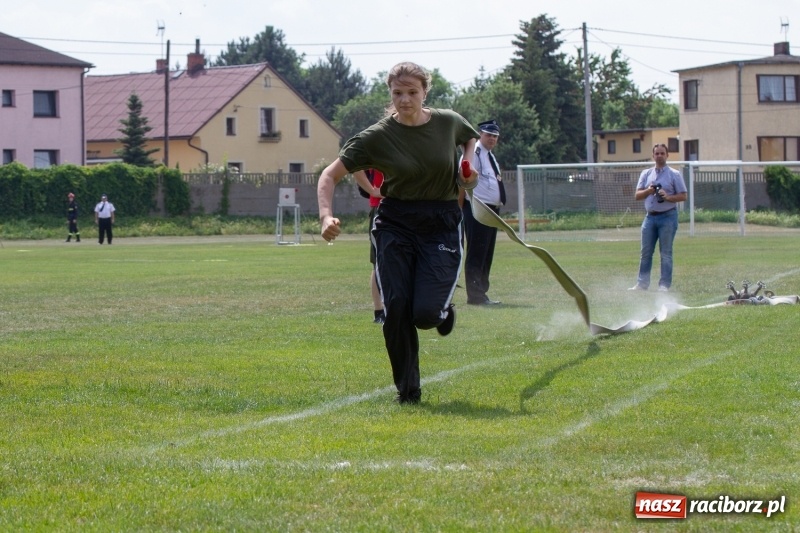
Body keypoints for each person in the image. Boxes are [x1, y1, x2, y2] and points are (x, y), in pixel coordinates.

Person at [317, 61, 479, 404]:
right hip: (396, 222)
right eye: (398, 93)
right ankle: (408, 391)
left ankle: (441, 311)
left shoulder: (448, 122)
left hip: (441, 223)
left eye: (412, 93)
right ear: (390, 94)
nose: (405, 100)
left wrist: (469, 167)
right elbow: (329, 175)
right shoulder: (376, 136)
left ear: (425, 93)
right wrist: (325, 216)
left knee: (424, 314)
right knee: (397, 307)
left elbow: (471, 139)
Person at [629, 144, 687, 292]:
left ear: (667, 155)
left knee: (666, 253)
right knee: (646, 252)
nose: (659, 156)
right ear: (653, 156)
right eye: (657, 153)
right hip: (650, 218)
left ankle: (664, 285)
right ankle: (642, 284)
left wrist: (667, 196)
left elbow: (683, 195)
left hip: (668, 217)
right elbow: (637, 195)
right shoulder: (646, 174)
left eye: (662, 153)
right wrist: (649, 190)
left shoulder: (674, 174)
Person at [459, 119, 506, 305]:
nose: (492, 139)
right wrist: (458, 207)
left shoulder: (489, 155)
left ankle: (482, 292)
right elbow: (462, 179)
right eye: (489, 135)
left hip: (491, 210)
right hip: (476, 208)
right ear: (480, 134)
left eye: (495, 136)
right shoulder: (475, 153)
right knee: (477, 252)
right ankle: (475, 296)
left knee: (486, 253)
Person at [356, 169, 387, 324]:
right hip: (381, 209)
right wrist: (373, 190)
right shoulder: (376, 145)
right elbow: (355, 167)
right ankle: (379, 310)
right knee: (379, 264)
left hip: (406, 208)